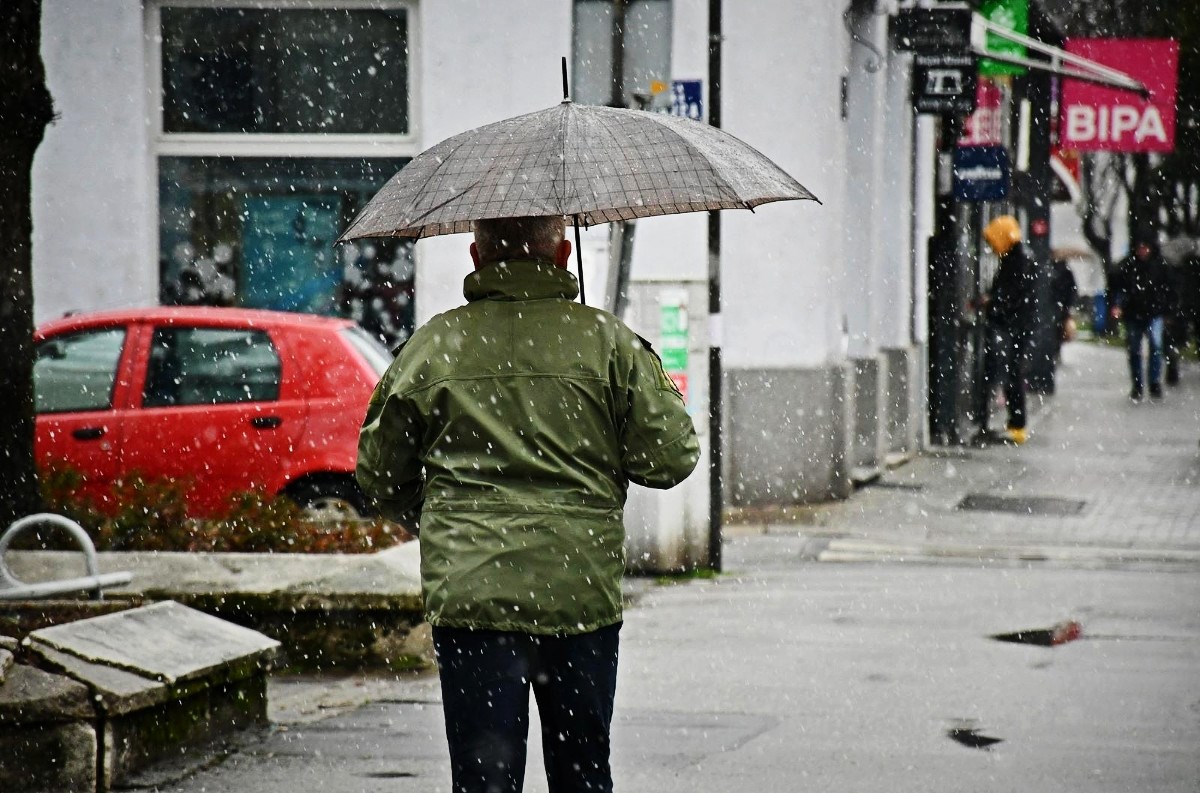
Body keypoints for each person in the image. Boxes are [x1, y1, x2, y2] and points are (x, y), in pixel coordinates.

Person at [356, 215, 700, 793]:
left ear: (476, 255)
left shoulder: (433, 347)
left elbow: (379, 475)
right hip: (577, 590)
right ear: (564, 253)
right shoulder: (607, 343)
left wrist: (445, 517)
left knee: (484, 777)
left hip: (472, 594)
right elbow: (670, 458)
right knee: (582, 773)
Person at [980, 215, 1036, 445]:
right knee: (1012, 375)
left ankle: (1017, 425)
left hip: (1014, 327)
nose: (993, 247)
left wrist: (991, 303)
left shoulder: (1017, 260)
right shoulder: (1017, 257)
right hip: (1016, 326)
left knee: (1013, 375)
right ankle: (1016, 423)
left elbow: (1011, 296)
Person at [1111, 238, 1173, 400]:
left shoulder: (1159, 266)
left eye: (1145, 247)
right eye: (1140, 247)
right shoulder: (1128, 267)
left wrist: (1167, 310)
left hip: (1153, 313)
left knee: (1155, 347)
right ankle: (1138, 384)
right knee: (1135, 349)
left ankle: (1153, 382)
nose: (1143, 250)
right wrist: (1119, 304)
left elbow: (1168, 289)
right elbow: (1119, 288)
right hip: (1134, 313)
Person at [1051, 257, 1079, 358]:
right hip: (1061, 308)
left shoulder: (1050, 270)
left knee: (1055, 331)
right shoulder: (1067, 272)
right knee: (1058, 331)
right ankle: (1055, 351)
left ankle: (1054, 351)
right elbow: (1073, 292)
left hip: (1055, 307)